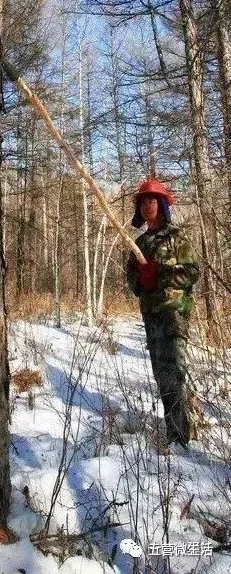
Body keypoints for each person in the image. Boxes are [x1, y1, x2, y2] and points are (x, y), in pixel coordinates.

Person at [126, 178, 199, 448]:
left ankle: (180, 439)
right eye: (143, 201)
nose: (147, 205)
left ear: (163, 204)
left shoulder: (177, 237)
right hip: (152, 317)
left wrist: (160, 273)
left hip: (174, 315)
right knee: (161, 374)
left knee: (174, 372)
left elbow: (192, 273)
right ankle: (175, 431)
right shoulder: (139, 243)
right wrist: (142, 281)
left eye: (152, 200)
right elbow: (132, 282)